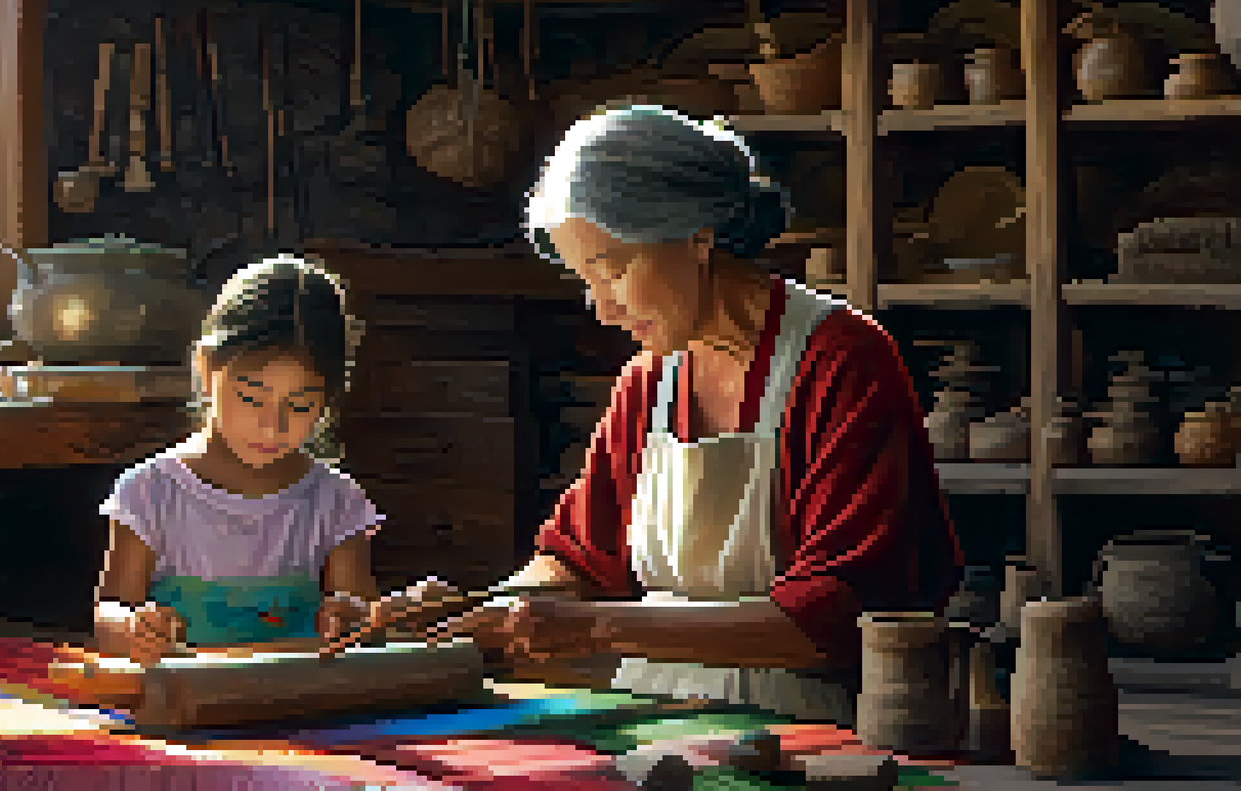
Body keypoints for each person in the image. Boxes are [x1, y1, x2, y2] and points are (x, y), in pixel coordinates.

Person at [345, 105, 963, 726]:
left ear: (698, 235)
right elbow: (578, 562)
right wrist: (469, 610)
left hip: (809, 727)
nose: (602, 309)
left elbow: (835, 616)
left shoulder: (839, 360)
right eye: (586, 279)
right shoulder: (649, 380)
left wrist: (595, 627)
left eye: (613, 267)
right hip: (649, 713)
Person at [94, 255, 381, 665]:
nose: (272, 426)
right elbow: (109, 615)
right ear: (206, 368)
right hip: (181, 715)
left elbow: (363, 626)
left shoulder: (335, 504)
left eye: (300, 406)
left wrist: (355, 620)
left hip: (301, 713)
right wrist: (132, 629)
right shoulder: (150, 493)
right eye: (251, 399)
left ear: (330, 399)